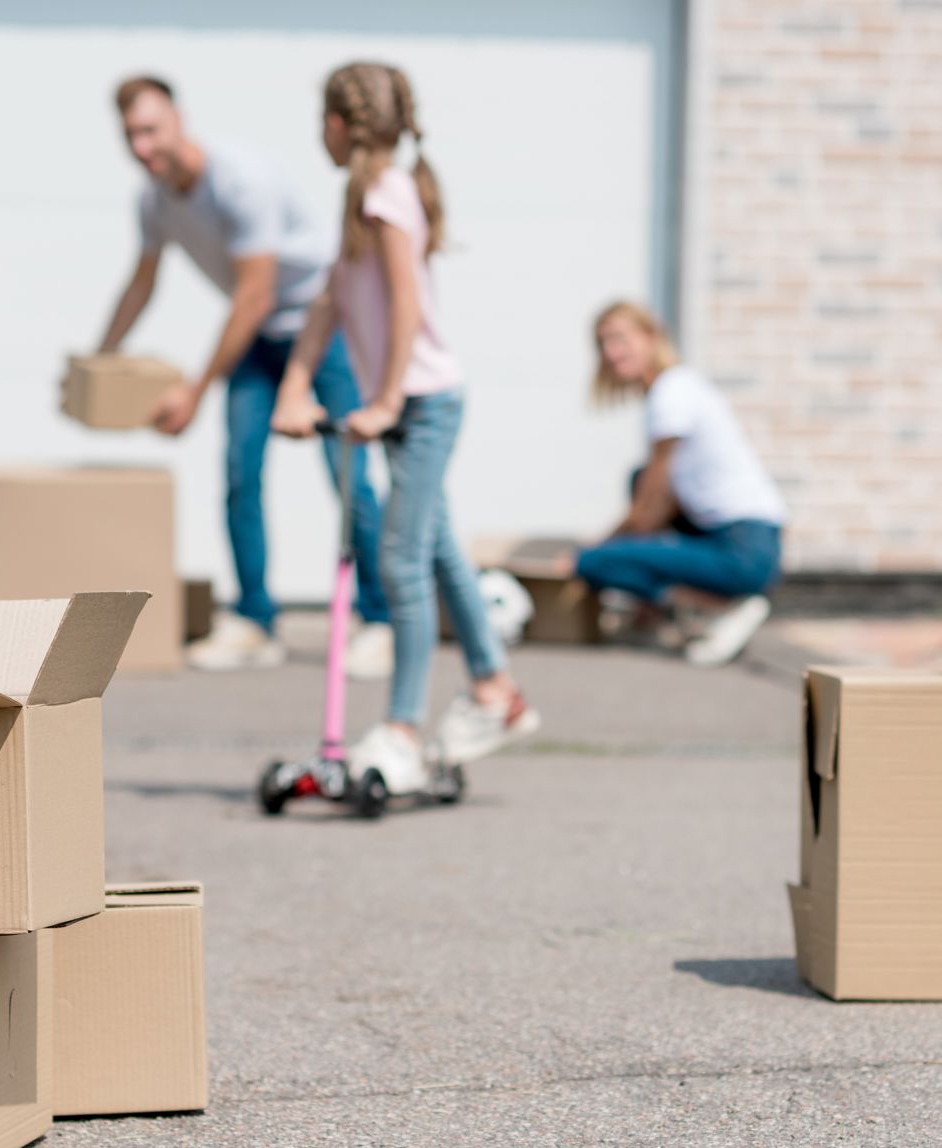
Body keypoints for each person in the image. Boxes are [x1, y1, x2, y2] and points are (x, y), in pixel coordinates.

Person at [272, 62, 539, 784]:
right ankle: (495, 692)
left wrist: (387, 398)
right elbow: (329, 301)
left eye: (321, 122)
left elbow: (406, 302)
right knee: (441, 548)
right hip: (408, 405)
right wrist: (293, 388)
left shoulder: (387, 194)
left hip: (424, 403)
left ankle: (402, 728)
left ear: (337, 125)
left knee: (399, 560)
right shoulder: (363, 195)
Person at [94, 75, 392, 675]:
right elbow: (143, 281)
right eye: (131, 136)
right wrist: (97, 364)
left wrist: (194, 393)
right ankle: (255, 621)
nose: (143, 147)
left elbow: (254, 296)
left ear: (179, 119)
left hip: (320, 325)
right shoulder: (154, 199)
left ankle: (380, 619)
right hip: (258, 338)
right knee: (239, 472)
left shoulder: (240, 182)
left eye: (151, 130)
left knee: (349, 476)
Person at [567, 301, 787, 666]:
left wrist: (587, 552)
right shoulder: (680, 388)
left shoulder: (671, 393)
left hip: (742, 551)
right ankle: (681, 612)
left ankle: (721, 606)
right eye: (603, 343)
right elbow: (655, 496)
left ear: (651, 337)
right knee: (638, 478)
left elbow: (647, 512)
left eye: (620, 339)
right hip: (744, 539)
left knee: (593, 564)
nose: (611, 352)